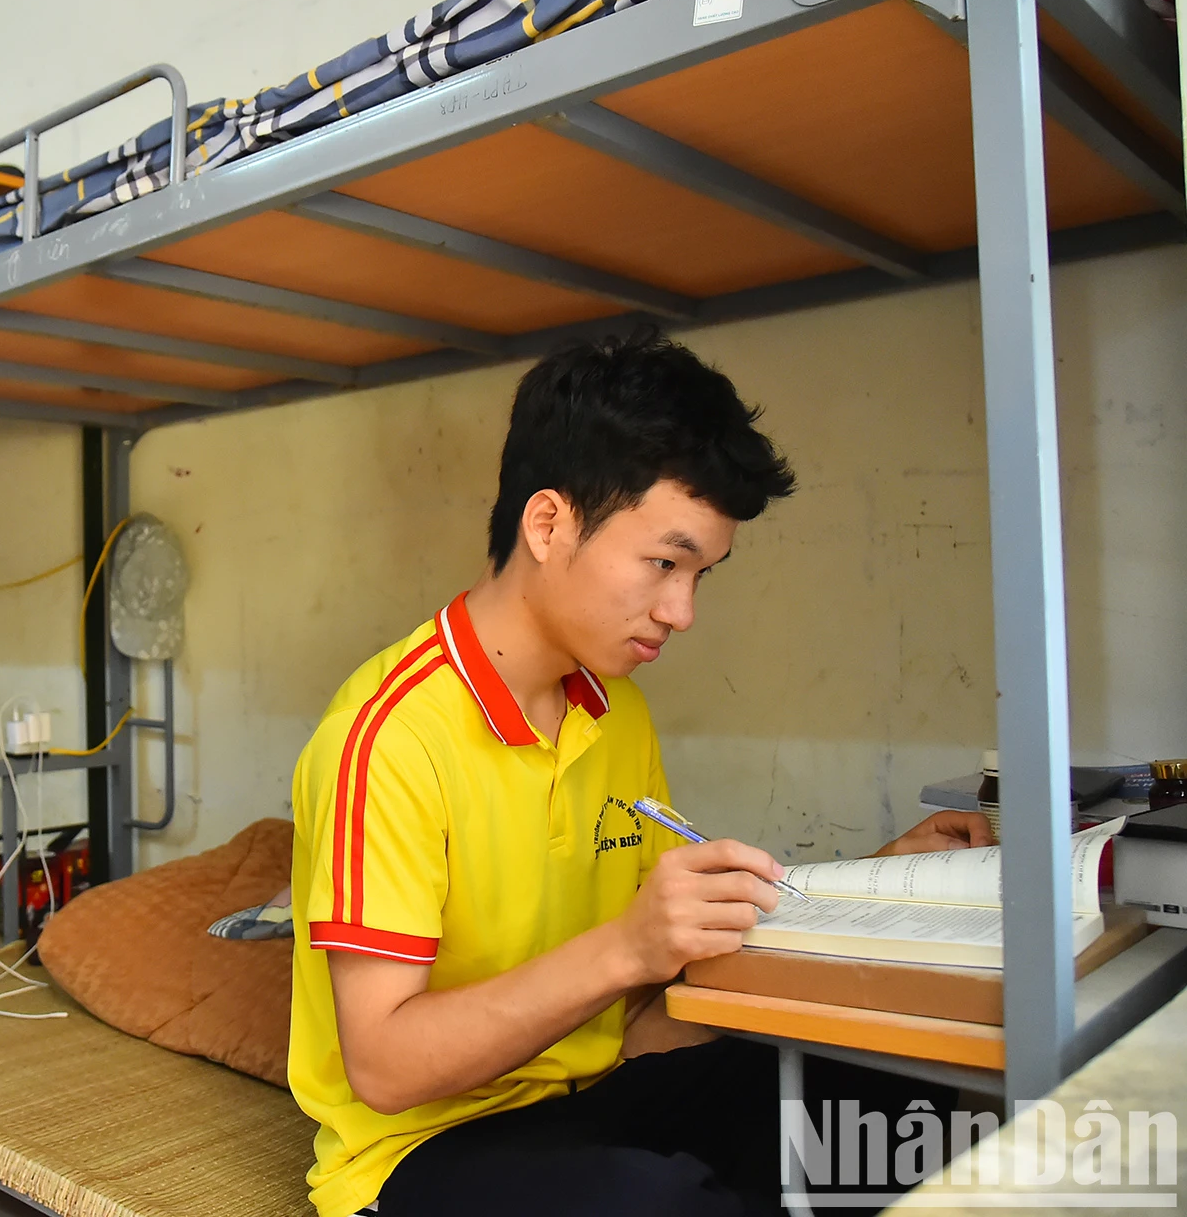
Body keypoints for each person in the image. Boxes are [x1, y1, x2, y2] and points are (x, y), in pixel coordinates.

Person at [289, 331, 992, 1217]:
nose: (682, 611)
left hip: (592, 1096)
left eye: (702, 573)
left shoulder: (615, 710)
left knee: (876, 1089)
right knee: (658, 1201)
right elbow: (385, 1067)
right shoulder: (386, 736)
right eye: (665, 562)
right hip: (416, 1153)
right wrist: (627, 946)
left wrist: (862, 888)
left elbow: (652, 995)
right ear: (548, 524)